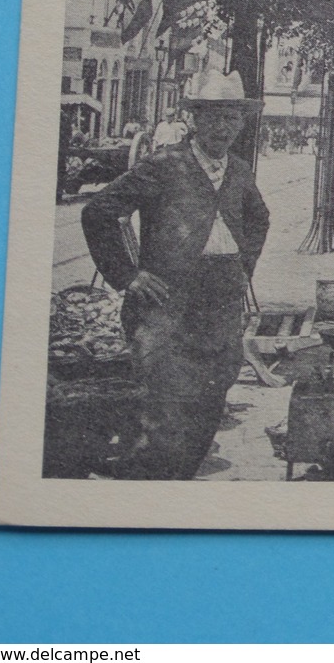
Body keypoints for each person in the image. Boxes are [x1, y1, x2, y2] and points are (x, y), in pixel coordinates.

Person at [80, 68, 270, 479]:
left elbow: (259, 219)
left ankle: (178, 487)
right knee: (163, 411)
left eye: (232, 117)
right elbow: (98, 212)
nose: (223, 127)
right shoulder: (164, 166)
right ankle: (148, 501)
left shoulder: (237, 170)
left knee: (210, 399)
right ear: (194, 120)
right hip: (167, 302)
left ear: (242, 122)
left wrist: (242, 265)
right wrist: (128, 276)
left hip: (220, 300)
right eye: (213, 116)